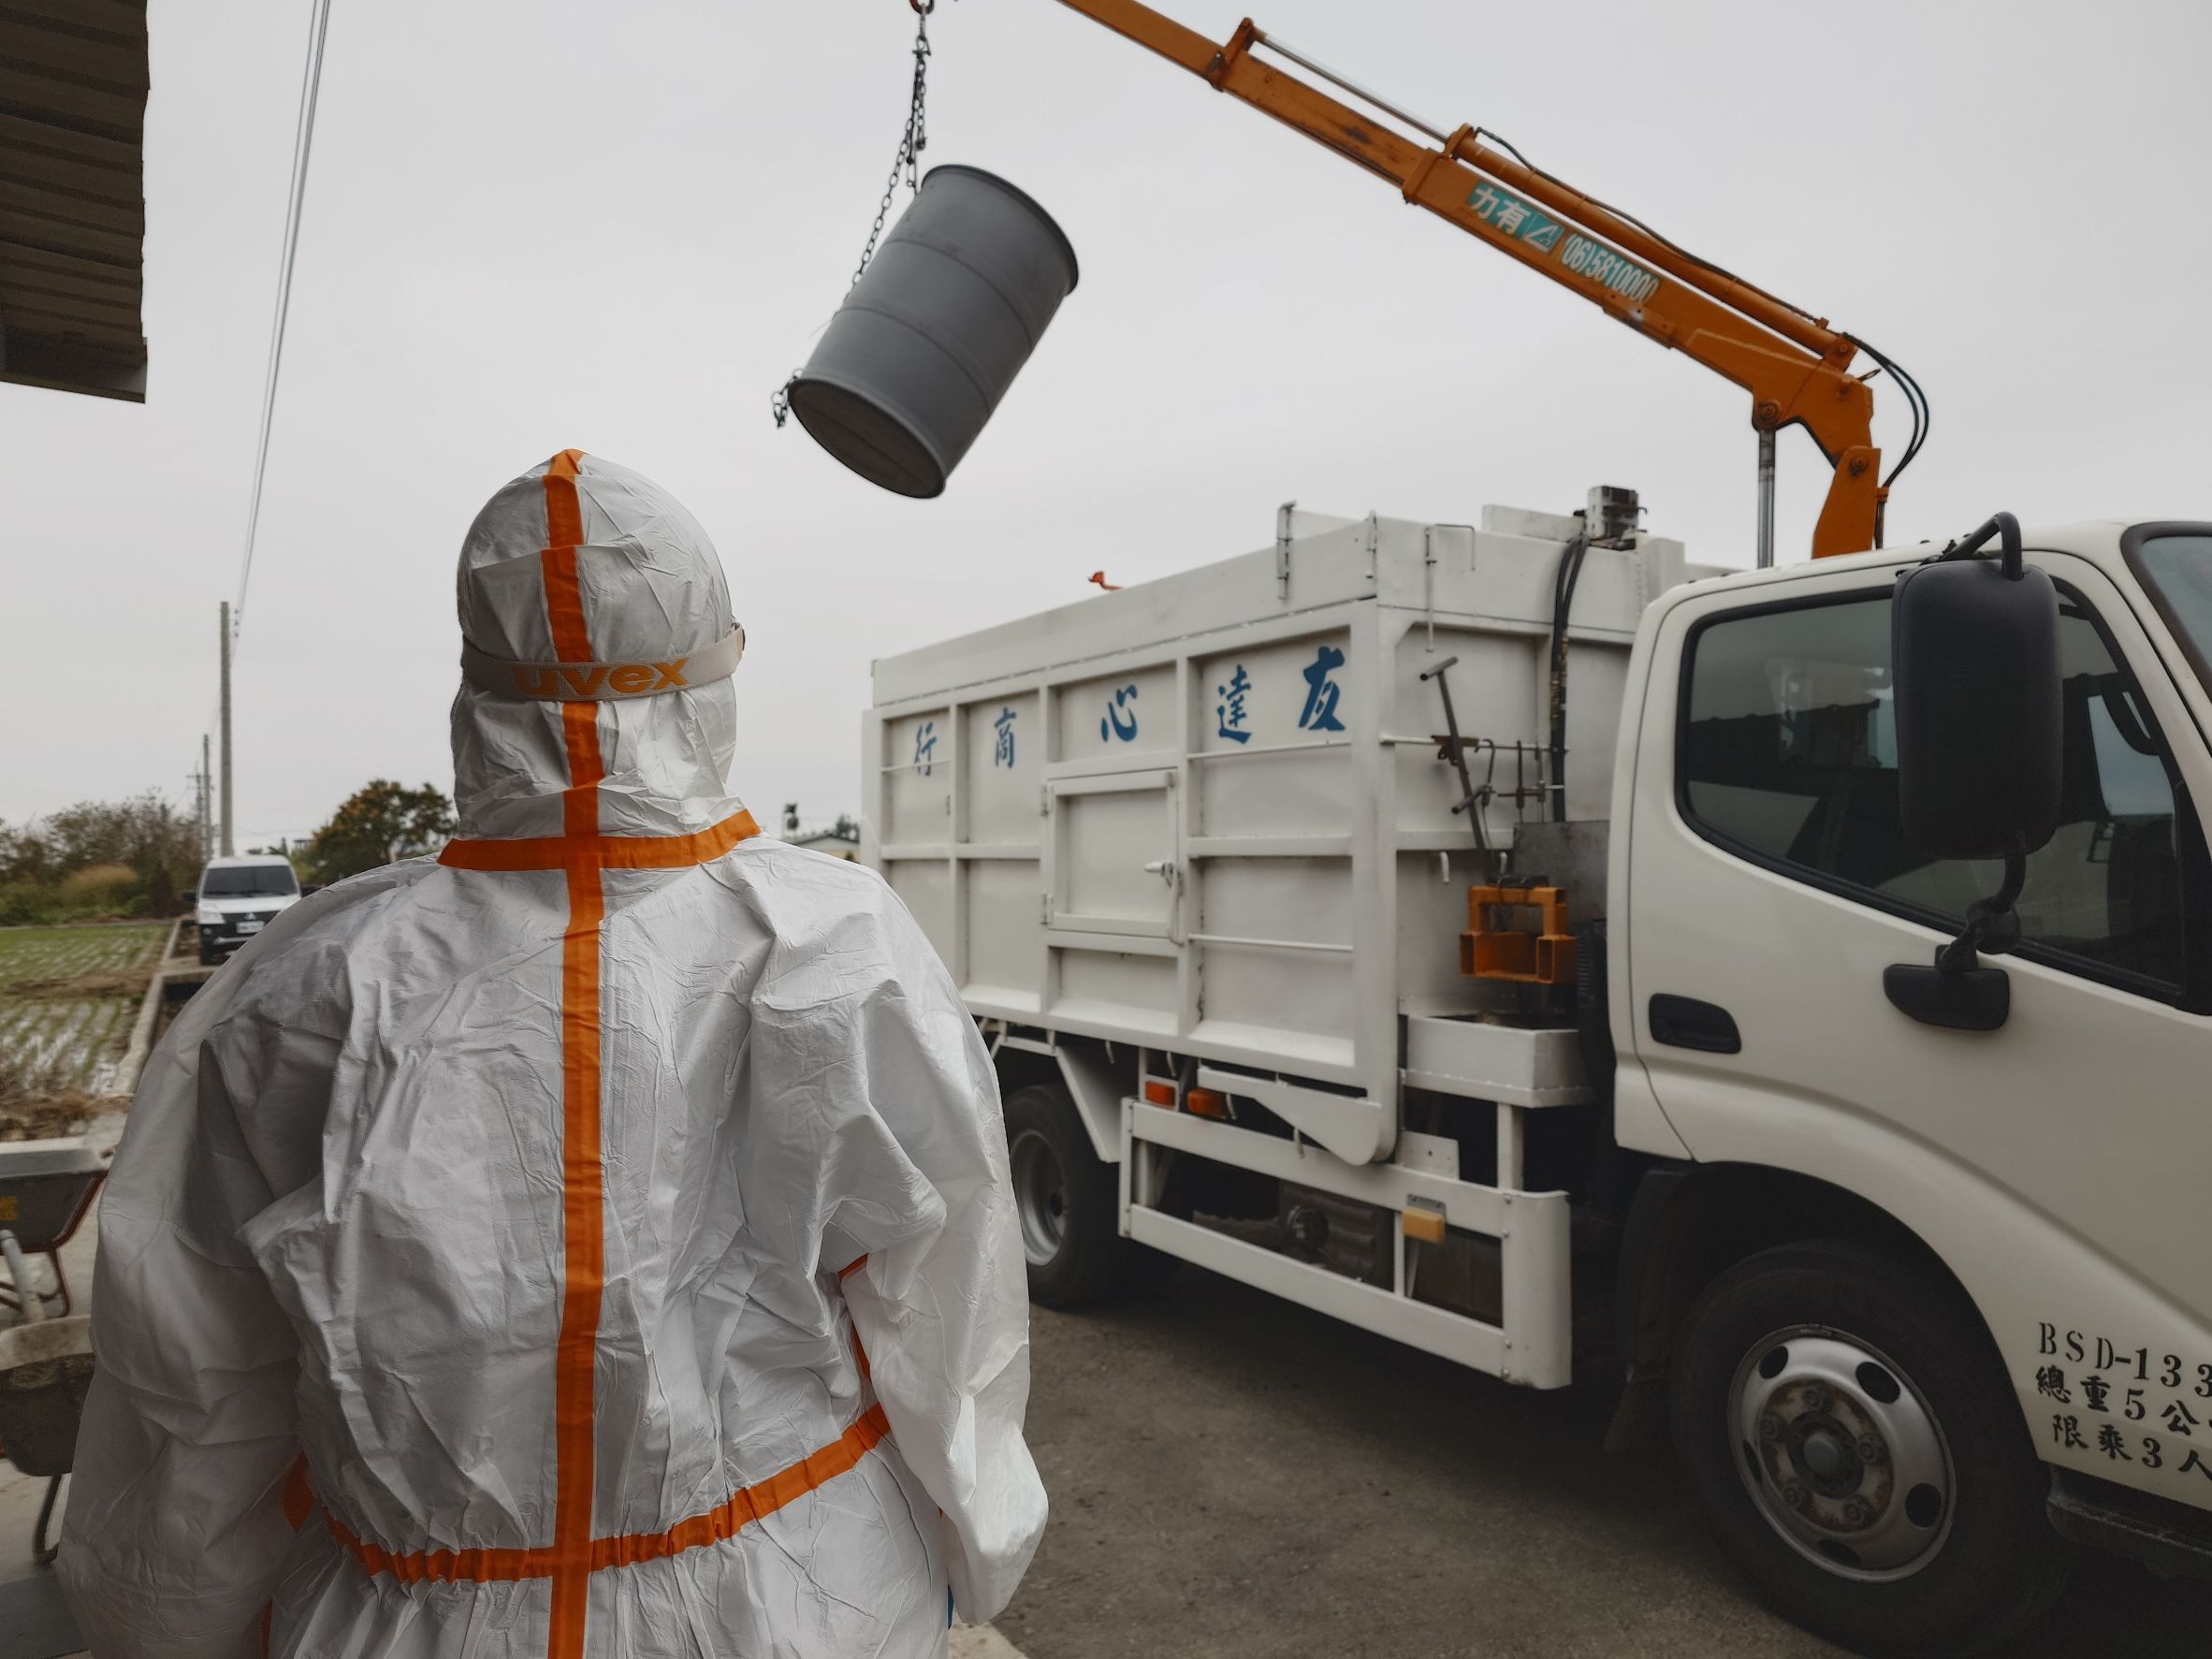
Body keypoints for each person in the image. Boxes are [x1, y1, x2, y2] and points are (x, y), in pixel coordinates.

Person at [59, 450, 1046, 1657]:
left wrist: (165, 1621)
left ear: (481, 695)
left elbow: (194, 1393)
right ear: (707, 687)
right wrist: (977, 1548)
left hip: (412, 1624)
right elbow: (947, 1314)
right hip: (789, 1606)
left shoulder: (305, 988)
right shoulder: (836, 948)